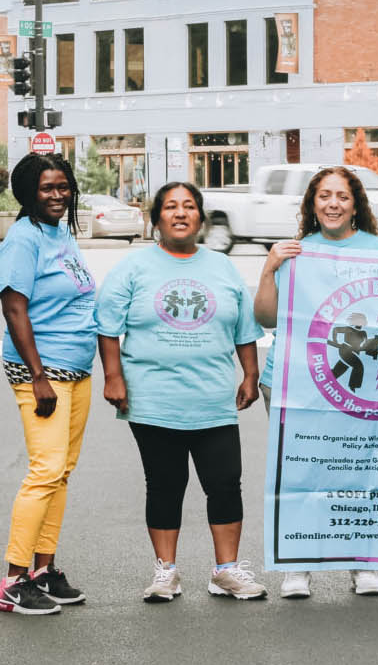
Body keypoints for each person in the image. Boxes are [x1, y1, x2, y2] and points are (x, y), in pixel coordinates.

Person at [96, 181, 267, 602]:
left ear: (200, 218)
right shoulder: (134, 268)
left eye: (189, 206)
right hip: (153, 399)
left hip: (213, 399)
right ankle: (165, 572)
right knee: (165, 484)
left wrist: (249, 374)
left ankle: (226, 571)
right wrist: (113, 377)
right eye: (170, 206)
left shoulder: (222, 267)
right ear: (156, 220)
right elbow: (107, 325)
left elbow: (243, 328)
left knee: (225, 483)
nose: (180, 213)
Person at [253, 166, 378, 599]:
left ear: (356, 205)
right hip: (293, 381)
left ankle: (360, 564)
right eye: (324, 196)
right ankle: (299, 565)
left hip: (358, 384)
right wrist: (268, 267)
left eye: (342, 196)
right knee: (301, 472)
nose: (333, 204)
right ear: (312, 203)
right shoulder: (294, 253)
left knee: (358, 470)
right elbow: (265, 319)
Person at [0, 154, 98, 615]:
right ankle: (13, 581)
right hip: (44, 372)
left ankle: (43, 571)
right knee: (45, 471)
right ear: (27, 193)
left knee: (62, 472)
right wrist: (38, 377)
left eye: (63, 187)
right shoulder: (22, 239)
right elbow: (14, 309)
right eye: (47, 188)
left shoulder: (60, 234)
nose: (58, 195)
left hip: (75, 370)